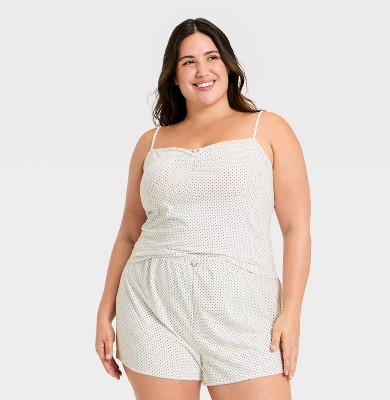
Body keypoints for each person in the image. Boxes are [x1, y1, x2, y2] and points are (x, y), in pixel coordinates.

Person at [95, 17, 311, 400]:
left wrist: (291, 311)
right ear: (174, 76)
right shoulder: (150, 143)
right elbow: (129, 233)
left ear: (228, 65)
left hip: (245, 308)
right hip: (151, 305)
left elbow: (296, 227)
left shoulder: (268, 129)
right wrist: (104, 312)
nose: (202, 70)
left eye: (211, 57)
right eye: (188, 62)